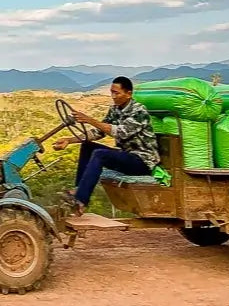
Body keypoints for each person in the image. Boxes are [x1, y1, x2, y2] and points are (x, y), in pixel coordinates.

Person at [52, 76, 160, 215]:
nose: (113, 96)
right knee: (88, 147)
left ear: (129, 94)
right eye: (112, 92)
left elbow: (120, 133)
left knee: (100, 155)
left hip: (142, 161)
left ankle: (81, 201)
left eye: (117, 93)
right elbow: (98, 132)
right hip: (127, 156)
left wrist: (90, 120)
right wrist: (70, 140)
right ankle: (79, 189)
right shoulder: (115, 110)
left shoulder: (139, 112)